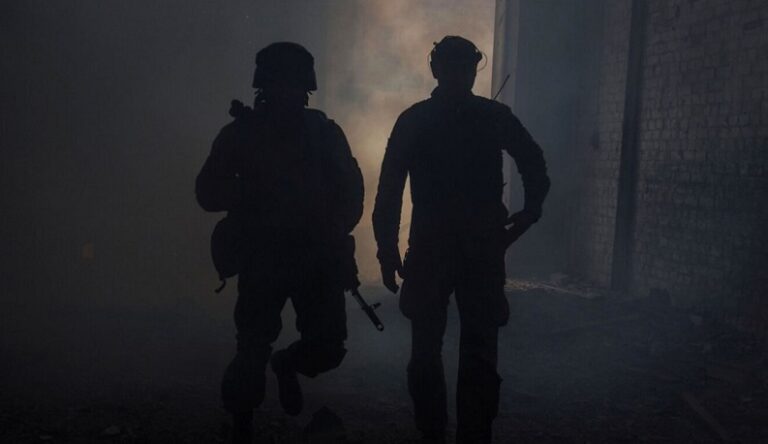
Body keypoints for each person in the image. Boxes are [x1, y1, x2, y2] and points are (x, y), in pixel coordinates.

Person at [372, 36, 550, 443]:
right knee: (468, 353)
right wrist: (529, 212)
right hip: (468, 250)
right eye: (455, 68)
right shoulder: (489, 116)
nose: (457, 76)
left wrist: (387, 248)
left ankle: (442, 432)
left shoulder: (417, 119)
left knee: (439, 353)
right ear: (443, 70)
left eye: (461, 68)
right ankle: (459, 433)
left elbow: (390, 189)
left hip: (442, 249)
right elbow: (533, 162)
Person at [195, 42, 364, 443]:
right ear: (265, 87)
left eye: (294, 85)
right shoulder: (240, 135)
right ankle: (241, 426)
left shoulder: (324, 134)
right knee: (251, 349)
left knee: (328, 348)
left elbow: (351, 191)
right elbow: (207, 192)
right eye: (280, 84)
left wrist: (333, 229)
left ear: (305, 90)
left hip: (315, 258)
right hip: (263, 257)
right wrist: (249, 195)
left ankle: (287, 364)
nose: (287, 93)